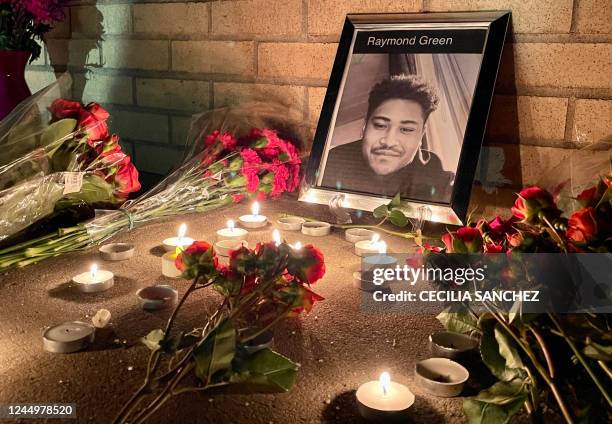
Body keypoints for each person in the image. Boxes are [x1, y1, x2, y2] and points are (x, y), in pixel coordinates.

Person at [321, 74, 455, 203]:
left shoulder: (435, 174)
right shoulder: (333, 162)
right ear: (365, 125)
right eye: (380, 125)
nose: (389, 142)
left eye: (406, 129)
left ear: (421, 134)